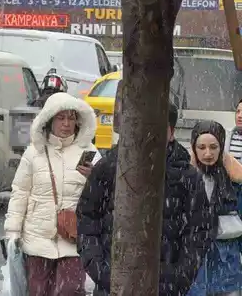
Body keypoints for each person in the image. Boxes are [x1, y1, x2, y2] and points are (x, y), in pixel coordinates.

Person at [77, 103, 214, 296]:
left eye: (158, 127)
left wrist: (179, 276)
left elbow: (199, 231)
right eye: (143, 126)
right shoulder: (108, 168)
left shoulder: (187, 177)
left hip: (165, 285)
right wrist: (101, 269)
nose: (149, 134)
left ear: (171, 132)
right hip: (113, 284)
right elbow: (88, 219)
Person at [4, 92, 99, 295]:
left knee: (70, 290)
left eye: (71, 118)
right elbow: (20, 193)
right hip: (37, 240)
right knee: (38, 292)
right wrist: (12, 233)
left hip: (74, 242)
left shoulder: (89, 153)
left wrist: (95, 177)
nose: (66, 124)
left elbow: (103, 197)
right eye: (61, 117)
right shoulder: (33, 153)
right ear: (49, 120)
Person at [187, 120, 242, 296]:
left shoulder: (234, 182)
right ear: (193, 148)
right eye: (201, 147)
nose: (208, 153)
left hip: (227, 266)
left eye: (213, 147)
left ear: (222, 147)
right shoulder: (184, 180)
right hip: (193, 266)